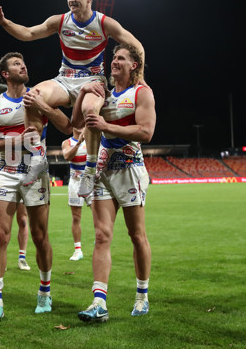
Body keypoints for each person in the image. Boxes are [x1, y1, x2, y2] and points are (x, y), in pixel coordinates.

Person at [0, 0, 145, 190]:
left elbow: (137, 46)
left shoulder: (104, 23)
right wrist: (4, 22)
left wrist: (140, 79)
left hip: (93, 80)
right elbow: (29, 33)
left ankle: (90, 169)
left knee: (90, 111)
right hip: (65, 78)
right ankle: (36, 159)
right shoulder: (60, 21)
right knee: (32, 96)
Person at [0, 52, 71, 323]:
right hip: (6, 172)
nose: (24, 66)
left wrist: (46, 108)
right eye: (17, 64)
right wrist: (18, 141)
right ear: (5, 73)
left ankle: (44, 291)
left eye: (24, 63)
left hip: (36, 172)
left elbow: (67, 127)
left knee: (40, 237)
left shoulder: (39, 95)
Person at [72, 44, 155, 322]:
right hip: (102, 170)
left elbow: (146, 131)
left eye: (121, 58)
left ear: (134, 65)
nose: (114, 62)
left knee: (136, 236)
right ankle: (99, 302)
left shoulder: (141, 92)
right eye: (114, 58)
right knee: (101, 235)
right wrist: (83, 92)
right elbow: (75, 122)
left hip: (130, 169)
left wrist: (108, 127)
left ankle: (142, 295)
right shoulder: (102, 93)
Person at [61, 127, 92, 261]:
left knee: (99, 213)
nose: (80, 127)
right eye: (77, 124)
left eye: (82, 124)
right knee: (76, 217)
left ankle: (101, 241)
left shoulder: (92, 139)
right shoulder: (67, 142)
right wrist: (79, 143)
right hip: (75, 182)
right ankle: (78, 250)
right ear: (73, 126)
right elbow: (67, 156)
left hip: (91, 180)